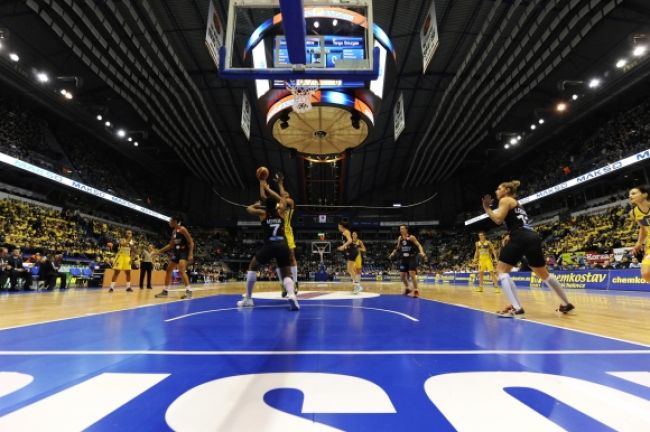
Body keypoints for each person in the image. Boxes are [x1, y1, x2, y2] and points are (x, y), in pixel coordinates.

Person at [482, 180, 574, 318]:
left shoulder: (506, 199)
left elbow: (498, 219)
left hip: (520, 236)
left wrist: (486, 208)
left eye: (498, 188)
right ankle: (566, 303)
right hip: (532, 236)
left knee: (501, 271)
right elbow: (519, 222)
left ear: (506, 190)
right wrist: (509, 234)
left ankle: (517, 308)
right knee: (544, 274)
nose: (496, 191)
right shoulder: (518, 203)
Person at [238, 176, 299, 310]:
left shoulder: (262, 213)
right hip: (283, 244)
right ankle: (292, 295)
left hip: (270, 245)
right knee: (286, 273)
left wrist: (258, 200)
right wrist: (278, 184)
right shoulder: (282, 212)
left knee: (253, 265)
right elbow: (282, 197)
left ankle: (248, 298)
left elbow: (248, 209)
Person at [154, 217, 195, 299]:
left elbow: (191, 242)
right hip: (177, 252)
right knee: (168, 270)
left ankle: (189, 292)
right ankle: (165, 292)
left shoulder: (182, 229)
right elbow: (170, 245)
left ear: (175, 221)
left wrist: (190, 254)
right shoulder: (174, 232)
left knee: (181, 270)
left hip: (184, 252)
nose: (169, 222)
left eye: (170, 221)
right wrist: (159, 251)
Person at [275, 173, 299, 298]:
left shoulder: (290, 202)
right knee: (279, 261)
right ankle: (283, 286)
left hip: (288, 234)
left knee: (291, 257)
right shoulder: (278, 205)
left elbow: (286, 199)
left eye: (286, 195)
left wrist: (280, 184)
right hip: (277, 234)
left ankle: (295, 283)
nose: (285, 195)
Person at [389, 225, 426, 298]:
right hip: (404, 259)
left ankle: (416, 290)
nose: (401, 230)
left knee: (412, 274)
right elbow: (397, 247)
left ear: (406, 230)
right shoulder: (400, 238)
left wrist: (422, 252)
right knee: (402, 276)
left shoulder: (411, 237)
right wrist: (393, 253)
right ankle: (408, 288)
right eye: (400, 229)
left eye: (402, 229)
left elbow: (419, 245)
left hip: (411, 258)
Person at [629, 185, 650, 282]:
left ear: (644, 194)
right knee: (646, 273)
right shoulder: (633, 213)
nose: (630, 196)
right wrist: (639, 243)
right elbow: (643, 228)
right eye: (629, 194)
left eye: (633, 193)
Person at [337, 221, 362, 294]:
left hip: (353, 251)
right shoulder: (344, 233)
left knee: (350, 269)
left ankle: (357, 286)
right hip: (352, 251)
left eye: (339, 226)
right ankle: (357, 285)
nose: (338, 227)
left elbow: (350, 240)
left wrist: (343, 246)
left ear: (342, 226)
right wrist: (344, 247)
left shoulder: (346, 231)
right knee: (349, 269)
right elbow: (348, 243)